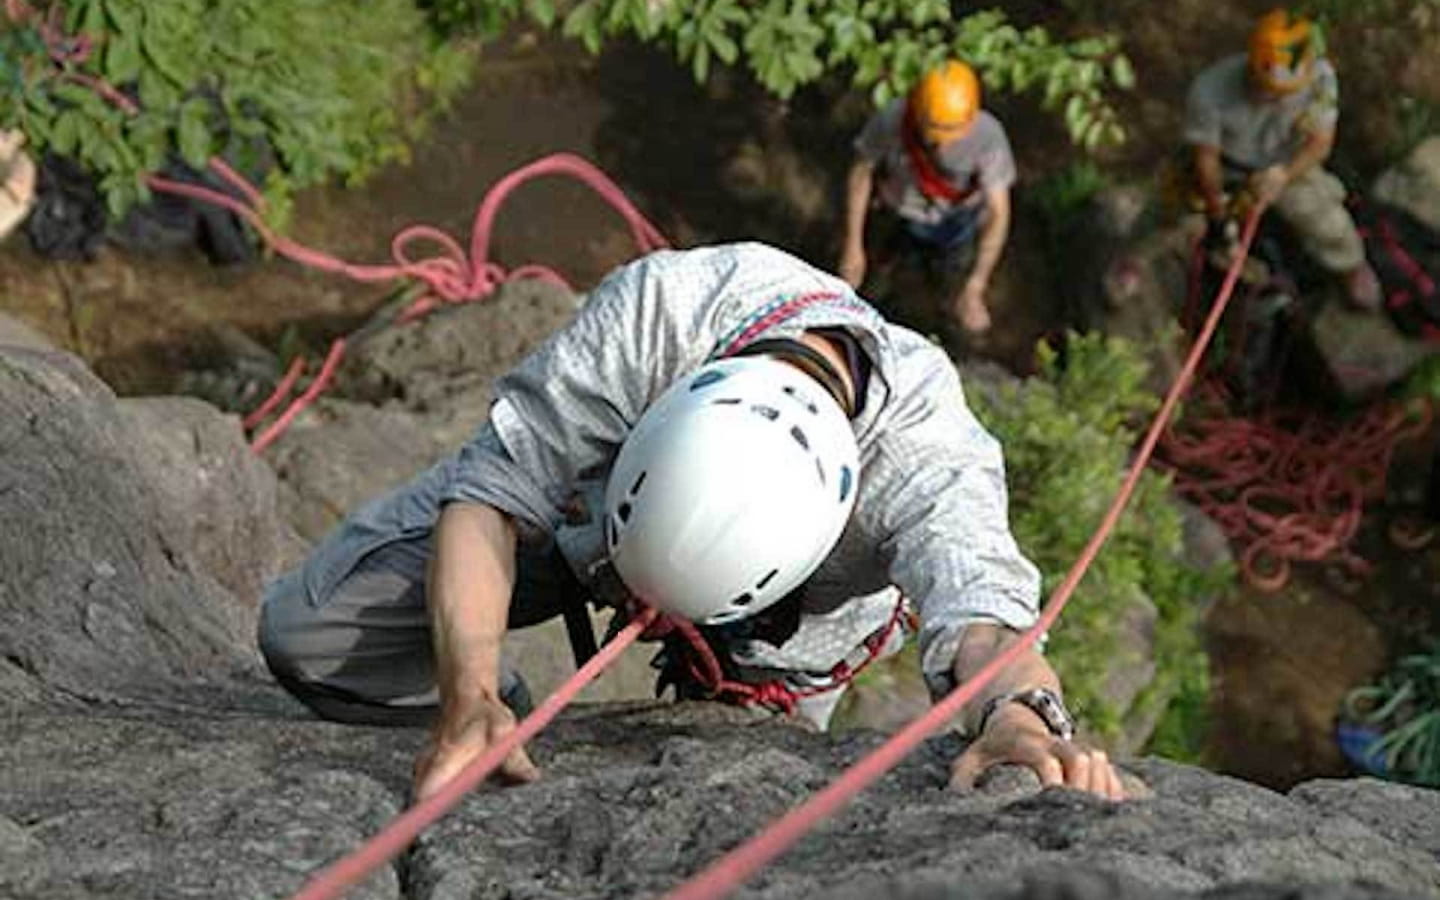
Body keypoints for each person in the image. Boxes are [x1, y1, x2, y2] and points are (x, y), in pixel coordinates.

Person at [257, 242, 1124, 803]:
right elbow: (493, 494)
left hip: (787, 638)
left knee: (749, 799)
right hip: (589, 521)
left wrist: (1019, 720)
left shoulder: (930, 461)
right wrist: (469, 690)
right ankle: (505, 703)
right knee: (308, 636)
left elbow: (983, 618)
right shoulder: (660, 314)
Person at [1183, 8, 1381, 308]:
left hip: (1286, 164)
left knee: (1326, 219)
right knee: (1170, 212)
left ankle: (1350, 264)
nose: (1275, 99)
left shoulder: (1320, 79)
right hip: (1229, 164)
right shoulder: (1211, 90)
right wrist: (1219, 214)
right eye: (1267, 90)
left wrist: (1283, 176)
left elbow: (1320, 143)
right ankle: (1134, 264)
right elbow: (1206, 158)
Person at [839, 60, 1015, 335]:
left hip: (955, 223)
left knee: (949, 285)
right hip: (897, 212)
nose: (942, 144)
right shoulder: (893, 120)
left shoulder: (988, 137)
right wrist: (853, 246)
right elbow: (861, 174)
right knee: (873, 280)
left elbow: (999, 212)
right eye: (933, 133)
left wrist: (976, 285)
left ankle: (944, 324)